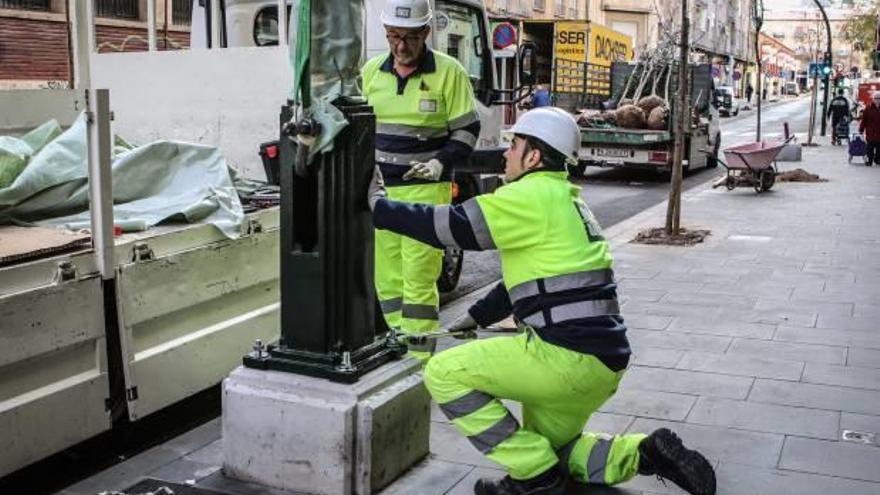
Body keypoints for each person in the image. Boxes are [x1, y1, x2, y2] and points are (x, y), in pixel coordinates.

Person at [367, 108, 716, 495]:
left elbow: (455, 227)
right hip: (603, 362)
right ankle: (646, 453)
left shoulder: (527, 195)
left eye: (514, 145)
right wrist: (475, 316)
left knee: (444, 373)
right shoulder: (567, 199)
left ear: (534, 156)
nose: (505, 154)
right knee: (559, 450)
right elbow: (525, 281)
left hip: (563, 359)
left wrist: (379, 207)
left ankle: (533, 476)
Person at [361, 0, 481, 360]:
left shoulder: (449, 72)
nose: (400, 47)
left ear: (426, 33)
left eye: (410, 38)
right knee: (387, 277)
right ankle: (397, 345)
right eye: (393, 37)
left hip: (426, 190)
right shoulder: (370, 72)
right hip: (382, 193)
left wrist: (440, 163)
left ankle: (419, 358)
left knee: (418, 275)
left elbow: (468, 129)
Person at [859, 91, 880, 166]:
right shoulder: (868, 108)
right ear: (873, 99)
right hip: (870, 132)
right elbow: (864, 120)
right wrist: (861, 129)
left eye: (879, 98)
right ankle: (869, 160)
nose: (878, 100)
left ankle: (877, 159)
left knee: (879, 148)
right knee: (870, 147)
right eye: (876, 98)